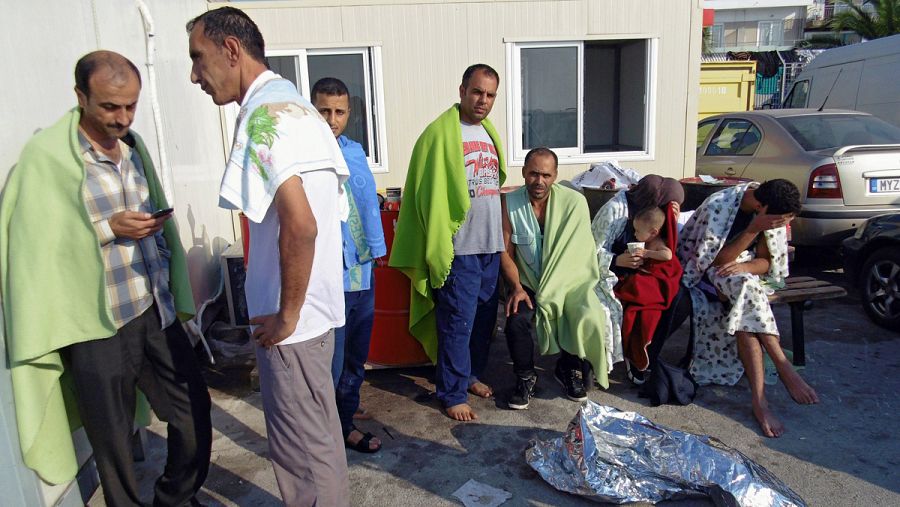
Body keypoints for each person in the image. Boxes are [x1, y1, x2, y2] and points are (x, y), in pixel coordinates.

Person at [1, 50, 211, 506]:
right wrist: (106, 229)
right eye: (110, 107)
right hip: (96, 326)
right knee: (113, 445)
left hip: (154, 309)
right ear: (80, 97)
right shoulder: (47, 160)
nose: (122, 118)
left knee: (194, 415)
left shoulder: (134, 150)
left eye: (130, 106)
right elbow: (32, 246)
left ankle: (175, 497)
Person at [187, 7, 350, 504]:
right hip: (315, 314)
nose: (195, 75)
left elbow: (302, 225)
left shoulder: (264, 117)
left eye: (199, 58)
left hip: (293, 325)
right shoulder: (298, 108)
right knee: (318, 441)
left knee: (301, 454)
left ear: (231, 50)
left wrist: (286, 316)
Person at [389, 64, 505, 422]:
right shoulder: (440, 134)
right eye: (476, 92)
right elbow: (423, 192)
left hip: (489, 246)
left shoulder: (488, 132)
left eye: (490, 94)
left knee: (483, 321)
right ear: (462, 90)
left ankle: (469, 376)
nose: (483, 100)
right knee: (457, 322)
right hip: (460, 249)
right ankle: (451, 392)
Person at [677, 179, 819, 438]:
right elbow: (711, 261)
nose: (780, 226)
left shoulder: (771, 214)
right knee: (745, 290)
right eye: (777, 221)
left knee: (745, 294)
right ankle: (781, 365)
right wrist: (753, 229)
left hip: (744, 277)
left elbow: (767, 262)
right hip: (708, 274)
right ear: (760, 206)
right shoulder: (719, 207)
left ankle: (760, 400)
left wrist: (746, 267)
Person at [312, 77, 387, 453]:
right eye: (324, 110)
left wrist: (378, 248)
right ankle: (333, 432)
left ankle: (346, 415)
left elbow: (368, 204)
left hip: (362, 271)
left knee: (358, 356)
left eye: (339, 111)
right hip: (328, 278)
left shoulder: (354, 151)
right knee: (334, 363)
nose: (332, 119)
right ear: (313, 110)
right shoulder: (306, 158)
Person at [501, 148, 609, 410]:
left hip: (568, 282)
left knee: (583, 311)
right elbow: (505, 252)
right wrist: (516, 288)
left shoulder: (574, 202)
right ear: (524, 173)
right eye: (534, 174)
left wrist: (561, 289)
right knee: (517, 319)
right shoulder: (509, 203)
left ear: (556, 175)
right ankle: (525, 377)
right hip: (527, 282)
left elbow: (579, 255)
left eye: (546, 175)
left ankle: (570, 367)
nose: (540, 181)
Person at [592, 175, 688, 383]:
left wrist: (673, 219)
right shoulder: (616, 211)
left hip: (645, 271)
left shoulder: (658, 215)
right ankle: (629, 352)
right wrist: (617, 260)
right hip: (611, 270)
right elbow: (591, 250)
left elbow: (668, 249)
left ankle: (645, 353)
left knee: (679, 299)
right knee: (631, 301)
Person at [613, 205, 683, 375]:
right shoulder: (647, 240)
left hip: (657, 283)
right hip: (646, 275)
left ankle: (638, 353)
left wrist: (647, 253)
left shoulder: (658, 243)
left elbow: (667, 256)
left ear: (653, 232)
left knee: (637, 296)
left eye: (637, 231)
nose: (635, 234)